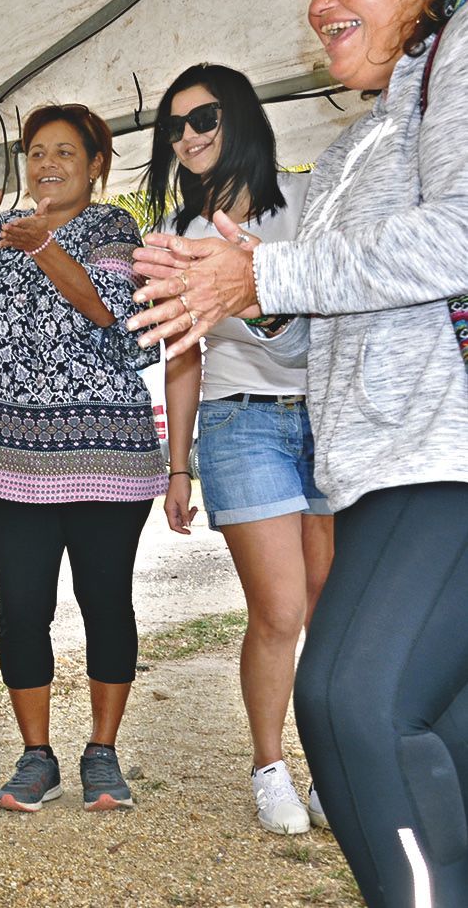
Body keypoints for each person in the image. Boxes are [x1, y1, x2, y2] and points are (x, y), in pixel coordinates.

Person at [128, 0, 468, 905]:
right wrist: (236, 288)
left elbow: (459, 233)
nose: (321, 0)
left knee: (349, 699)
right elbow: (342, 294)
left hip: (441, 454)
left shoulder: (460, 63)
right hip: (371, 462)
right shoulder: (375, 122)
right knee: (439, 730)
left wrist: (264, 274)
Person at [0, 103, 165, 814]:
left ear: (95, 166)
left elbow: (108, 311)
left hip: (104, 455)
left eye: (64, 152)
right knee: (22, 609)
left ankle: (101, 753)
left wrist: (41, 248)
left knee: (104, 602)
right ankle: (35, 756)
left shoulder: (112, 228)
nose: (47, 164)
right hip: (12, 454)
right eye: (37, 153)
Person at [144, 63, 335, 836]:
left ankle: (327, 769)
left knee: (329, 607)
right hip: (239, 421)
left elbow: (333, 317)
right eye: (174, 126)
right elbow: (181, 355)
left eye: (203, 119)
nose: (186, 137)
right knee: (279, 609)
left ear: (241, 118)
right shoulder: (181, 235)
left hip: (323, 420)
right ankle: (269, 768)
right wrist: (177, 466)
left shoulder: (309, 204)